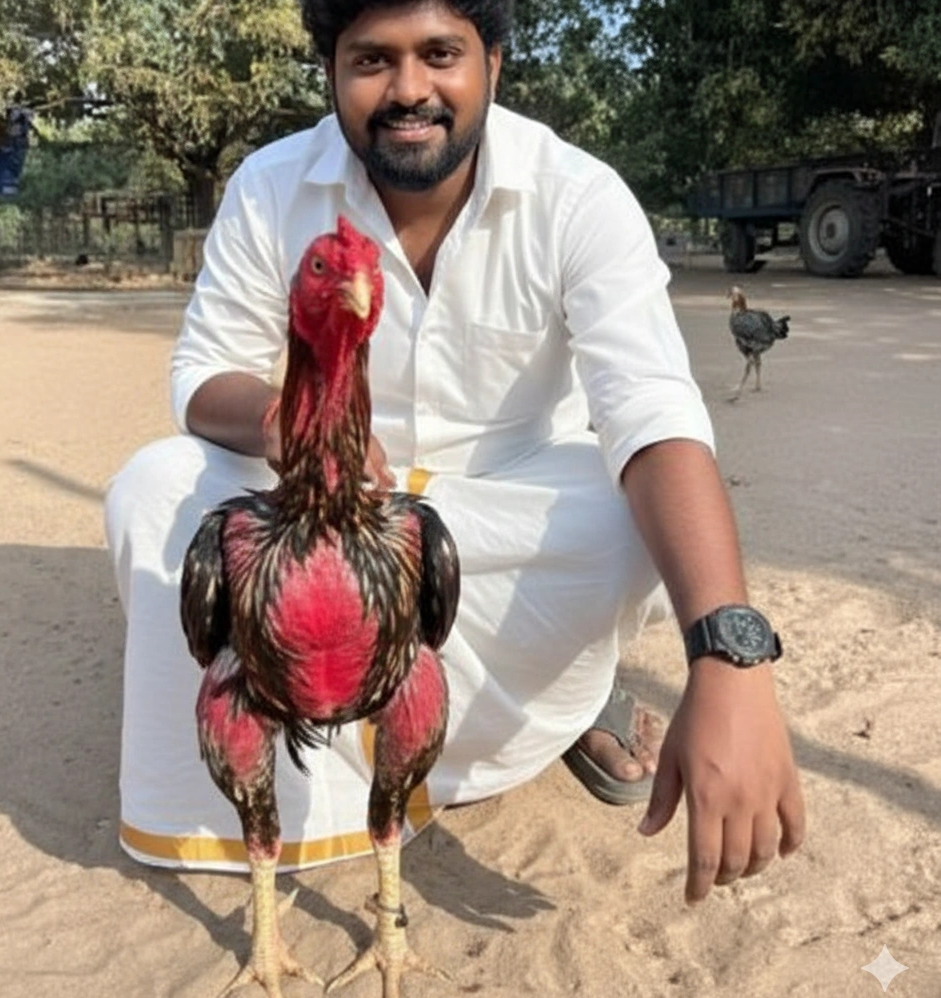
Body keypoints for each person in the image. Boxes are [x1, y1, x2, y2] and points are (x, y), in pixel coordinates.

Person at [104, 0, 804, 904]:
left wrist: (730, 656)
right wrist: (296, 428)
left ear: (494, 64)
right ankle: (293, 776)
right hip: (327, 499)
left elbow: (653, 412)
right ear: (331, 70)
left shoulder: (578, 194)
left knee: (616, 522)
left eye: (440, 54)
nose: (408, 90)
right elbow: (204, 374)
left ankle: (556, 706)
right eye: (371, 60)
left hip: (497, 509)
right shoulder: (271, 185)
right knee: (155, 490)